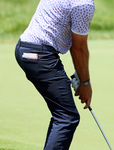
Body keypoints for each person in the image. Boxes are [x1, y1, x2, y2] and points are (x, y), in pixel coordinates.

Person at [15, 0, 95, 149]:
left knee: (62, 114)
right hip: (39, 55)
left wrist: (81, 76)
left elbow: (75, 44)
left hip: (25, 48)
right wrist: (85, 83)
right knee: (66, 117)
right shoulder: (84, 4)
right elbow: (79, 48)